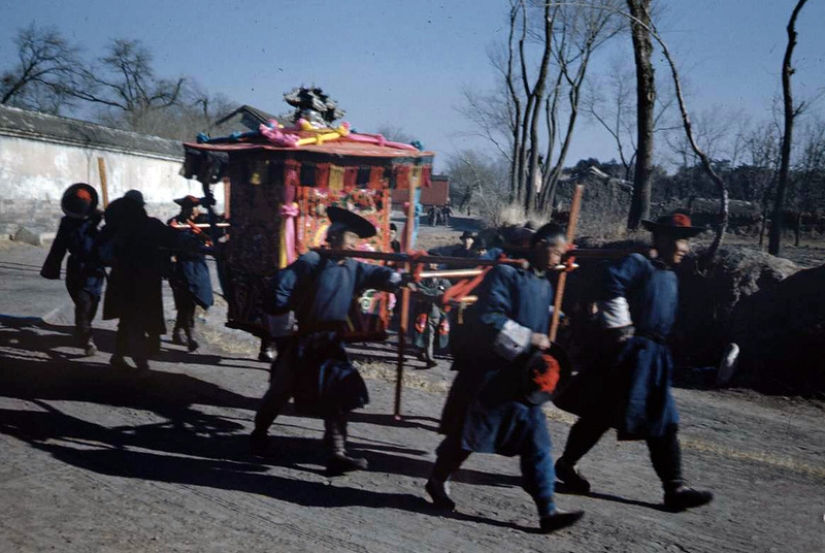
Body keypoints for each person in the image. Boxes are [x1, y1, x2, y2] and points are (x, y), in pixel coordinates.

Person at [425, 222, 584, 534]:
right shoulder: (504, 274)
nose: (558, 259)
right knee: (466, 438)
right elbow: (490, 318)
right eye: (556, 252)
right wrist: (529, 337)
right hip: (491, 377)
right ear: (540, 245)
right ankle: (437, 480)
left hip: (523, 381)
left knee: (538, 443)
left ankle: (547, 509)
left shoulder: (544, 284)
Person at [553, 212, 714, 512]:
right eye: (681, 240)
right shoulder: (637, 263)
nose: (686, 248)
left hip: (654, 358)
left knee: (645, 418)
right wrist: (621, 326)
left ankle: (673, 487)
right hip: (630, 353)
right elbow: (609, 283)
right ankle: (672, 487)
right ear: (663, 239)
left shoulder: (669, 275)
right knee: (607, 415)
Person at [250, 206, 407, 475]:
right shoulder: (312, 261)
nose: (356, 244)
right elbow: (280, 286)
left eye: (357, 240)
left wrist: (400, 278)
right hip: (303, 339)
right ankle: (259, 433)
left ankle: (336, 453)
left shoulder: (354, 266)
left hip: (331, 341)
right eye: (351, 238)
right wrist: (281, 330)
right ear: (334, 237)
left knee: (338, 391)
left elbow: (379, 275)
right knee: (280, 390)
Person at [99, 193, 199, 370]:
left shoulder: (115, 227)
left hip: (124, 280)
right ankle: (141, 363)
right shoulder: (149, 225)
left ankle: (119, 356)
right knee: (136, 320)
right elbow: (173, 238)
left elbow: (100, 250)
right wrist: (194, 241)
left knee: (128, 319)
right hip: (144, 280)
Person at [40, 183, 106, 357]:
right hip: (76, 268)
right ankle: (87, 339)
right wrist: (52, 267)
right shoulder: (67, 223)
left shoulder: (99, 220)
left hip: (95, 271)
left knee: (93, 303)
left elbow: (110, 241)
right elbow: (59, 246)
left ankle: (82, 329)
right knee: (83, 303)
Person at [167, 196, 214, 352]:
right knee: (185, 301)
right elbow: (178, 241)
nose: (194, 211)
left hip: (199, 267)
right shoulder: (175, 223)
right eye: (190, 208)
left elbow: (215, 233)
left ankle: (178, 331)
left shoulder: (204, 220)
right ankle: (190, 336)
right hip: (182, 266)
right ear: (184, 209)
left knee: (193, 300)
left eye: (196, 207)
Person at [413, 266, 451, 369]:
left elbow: (444, 293)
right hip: (425, 311)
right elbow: (419, 289)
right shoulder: (424, 279)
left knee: (433, 335)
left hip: (439, 312)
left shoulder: (444, 281)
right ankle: (430, 359)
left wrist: (428, 293)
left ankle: (421, 351)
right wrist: (427, 293)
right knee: (428, 334)